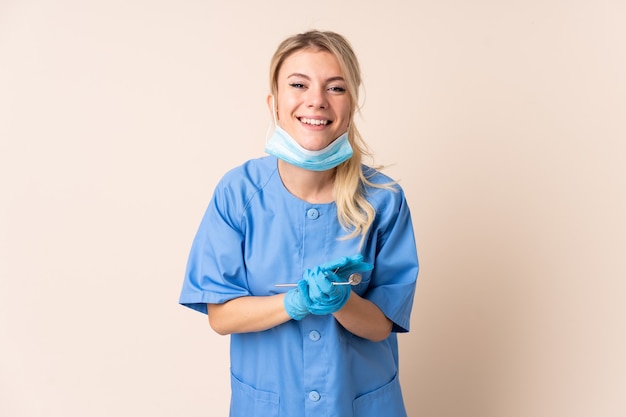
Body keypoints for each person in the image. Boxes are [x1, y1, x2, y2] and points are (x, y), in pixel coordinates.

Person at [179, 30, 419, 417]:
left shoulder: (383, 199)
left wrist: (342, 301)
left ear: (351, 103)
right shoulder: (238, 194)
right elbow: (221, 316)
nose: (317, 101)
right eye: (298, 84)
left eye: (335, 88)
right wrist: (296, 302)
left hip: (357, 404)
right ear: (274, 103)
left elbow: (381, 325)